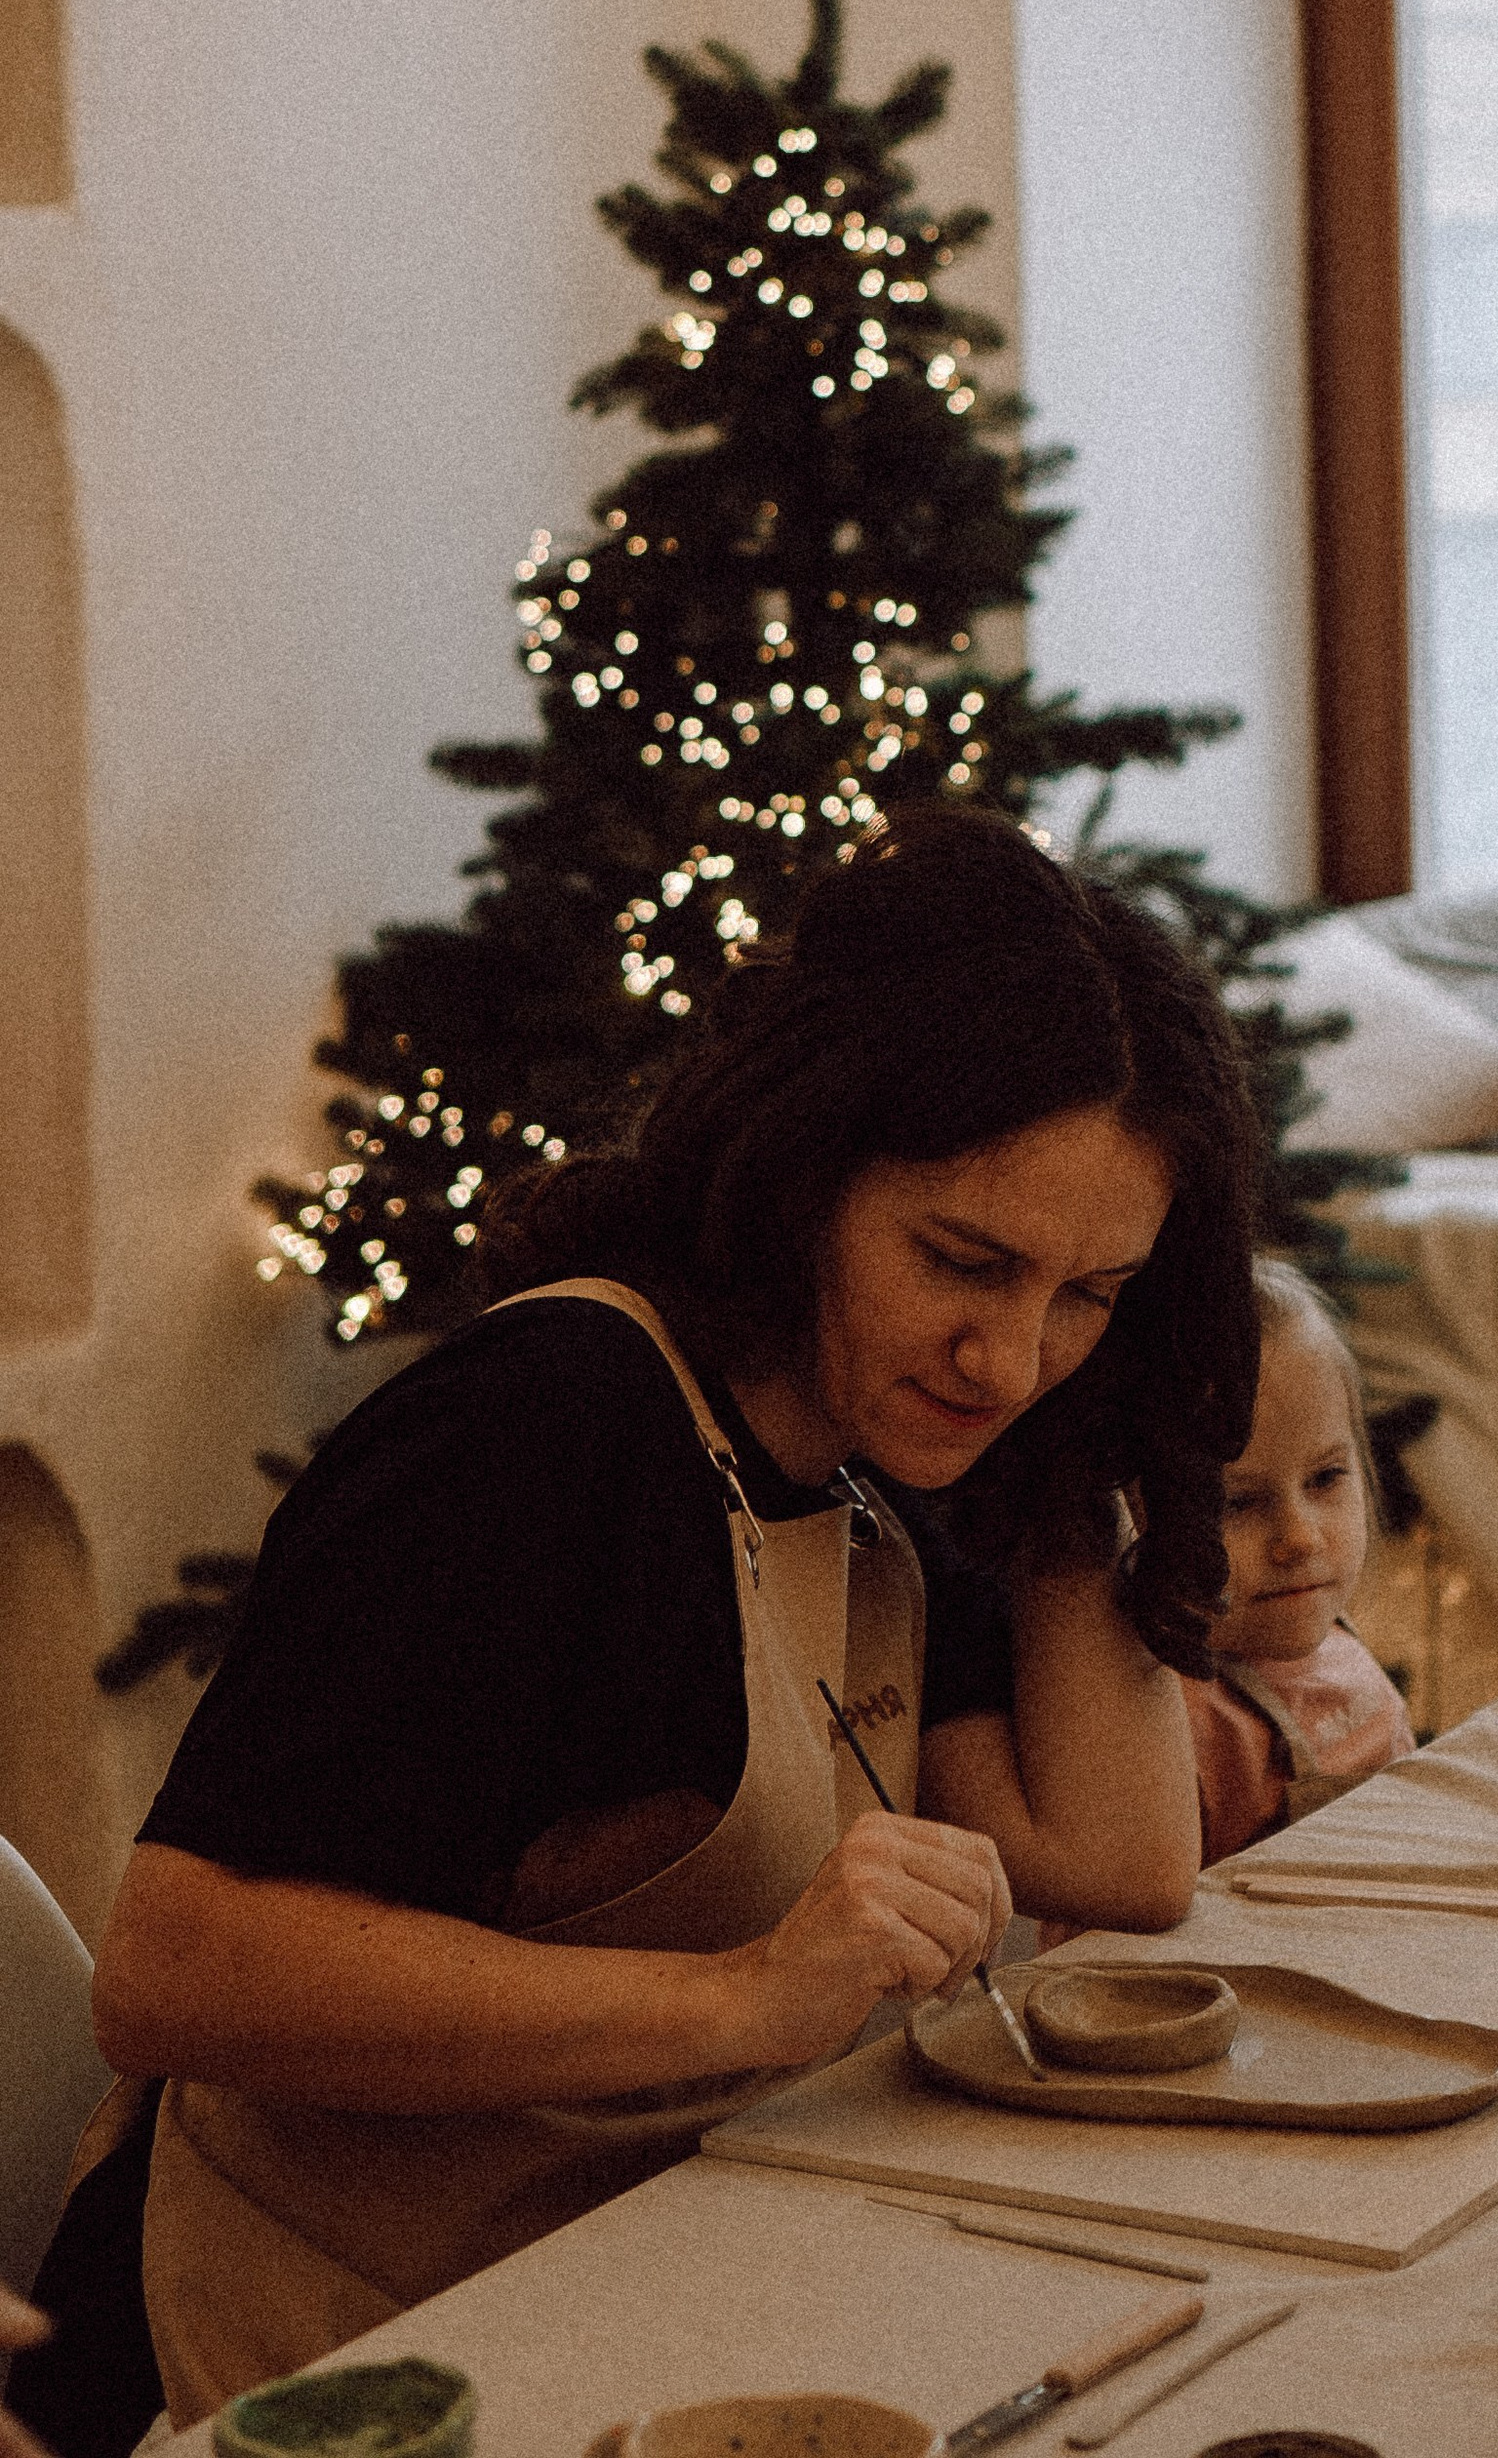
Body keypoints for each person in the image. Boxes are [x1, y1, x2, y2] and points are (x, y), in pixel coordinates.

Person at [81, 808, 1260, 2431]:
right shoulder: (548, 1428)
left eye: (1088, 1290)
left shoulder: (890, 1441)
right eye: (962, 1260)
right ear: (803, 1166)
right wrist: (741, 1998)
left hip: (671, 2289)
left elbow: (1123, 1866)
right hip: (347, 2370)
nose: (1004, 1352)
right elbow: (176, 1967)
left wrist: (1093, 1429)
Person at [1184, 1258, 1414, 1864]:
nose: (1300, 1538)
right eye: (1239, 1503)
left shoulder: (1329, 1639)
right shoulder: (1177, 1720)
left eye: (1326, 1477)